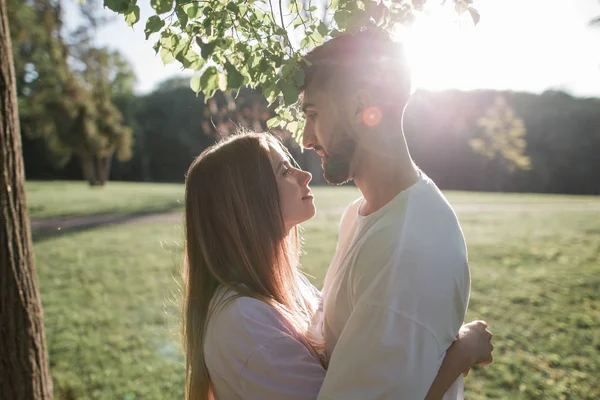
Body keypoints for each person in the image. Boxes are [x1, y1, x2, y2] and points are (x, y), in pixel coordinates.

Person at [181, 131, 493, 400]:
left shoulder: (285, 289)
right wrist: (461, 353)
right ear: (246, 202)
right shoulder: (244, 324)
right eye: (283, 171)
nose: (304, 175)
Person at [299, 29, 489, 400]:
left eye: (313, 114)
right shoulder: (359, 214)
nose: (306, 138)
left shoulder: (404, 247)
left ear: (360, 107)